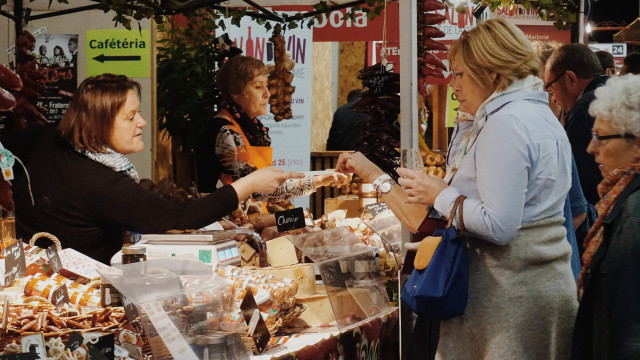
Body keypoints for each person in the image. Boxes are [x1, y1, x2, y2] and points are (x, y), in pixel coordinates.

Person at [338, 19, 577, 359]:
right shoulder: (539, 115)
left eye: (460, 73)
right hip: (536, 288)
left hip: (509, 300)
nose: (453, 84)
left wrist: (439, 193)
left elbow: (499, 225)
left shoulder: (506, 122)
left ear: (490, 72)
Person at [3, 74, 301, 264]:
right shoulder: (100, 182)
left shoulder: (52, 138)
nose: (142, 123)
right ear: (100, 123)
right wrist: (250, 184)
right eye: (131, 117)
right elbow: (178, 218)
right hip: (80, 293)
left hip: (43, 268)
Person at [195, 55, 346, 200]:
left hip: (248, 221)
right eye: (258, 87)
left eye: (266, 86)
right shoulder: (226, 131)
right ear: (235, 92)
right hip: (225, 224)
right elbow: (258, 189)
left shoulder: (251, 127)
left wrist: (321, 177)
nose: (267, 94)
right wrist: (318, 180)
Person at [572, 74, 640, 360]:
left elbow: (631, 331)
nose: (590, 148)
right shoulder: (622, 203)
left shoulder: (633, 215)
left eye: (601, 137)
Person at [533, 40, 588, 280]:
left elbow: (578, 210)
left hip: (555, 276)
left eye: (547, 88)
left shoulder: (555, 139)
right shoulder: (554, 134)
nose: (552, 98)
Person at [545, 44, 607, 206]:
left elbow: (580, 180)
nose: (553, 98)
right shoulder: (614, 92)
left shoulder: (584, 109)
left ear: (570, 78)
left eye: (551, 88)